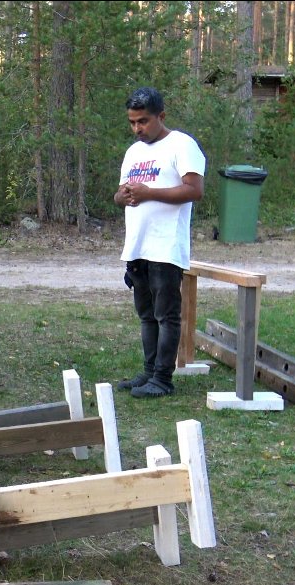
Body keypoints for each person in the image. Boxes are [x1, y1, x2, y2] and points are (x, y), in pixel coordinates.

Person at [113, 87, 206, 398]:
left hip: (166, 247)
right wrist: (122, 196)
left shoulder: (182, 145)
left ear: (161, 116)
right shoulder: (133, 152)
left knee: (166, 314)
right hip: (138, 245)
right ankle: (149, 372)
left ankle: (164, 379)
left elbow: (194, 190)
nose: (137, 128)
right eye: (132, 122)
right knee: (146, 313)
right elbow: (121, 194)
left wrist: (149, 193)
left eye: (143, 121)